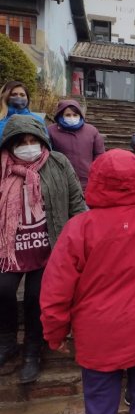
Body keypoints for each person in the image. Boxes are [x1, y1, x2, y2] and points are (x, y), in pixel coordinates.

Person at [40, 129, 135, 414]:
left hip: (100, 337)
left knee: (100, 412)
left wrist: (55, 331)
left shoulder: (79, 229)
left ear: (96, 180)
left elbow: (55, 288)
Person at [0, 115, 86, 384]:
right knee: (2, 291)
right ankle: (6, 342)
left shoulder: (58, 163)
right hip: (10, 247)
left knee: (37, 297)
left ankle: (32, 350)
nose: (28, 146)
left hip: (50, 244)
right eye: (21, 142)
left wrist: (82, 237)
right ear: (10, 145)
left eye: (32, 140)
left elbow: (76, 202)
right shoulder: (2, 167)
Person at [47, 99, 105, 193]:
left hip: (87, 183)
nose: (72, 117)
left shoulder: (91, 131)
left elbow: (100, 154)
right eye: (68, 115)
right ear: (61, 115)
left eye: (75, 115)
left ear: (80, 115)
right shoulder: (51, 131)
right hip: (61, 183)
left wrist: (95, 173)